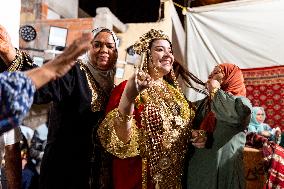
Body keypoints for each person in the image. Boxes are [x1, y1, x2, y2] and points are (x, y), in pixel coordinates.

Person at [0, 24, 119, 188]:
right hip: (64, 173)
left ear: (116, 52)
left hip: (96, 176)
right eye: (97, 44)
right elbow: (46, 86)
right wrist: (11, 55)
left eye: (110, 46)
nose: (104, 50)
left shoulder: (114, 90)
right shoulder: (75, 72)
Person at [98, 29, 207, 189]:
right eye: (160, 49)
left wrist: (194, 136)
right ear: (146, 54)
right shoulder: (125, 89)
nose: (168, 55)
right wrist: (129, 97)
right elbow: (119, 140)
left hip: (174, 179)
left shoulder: (175, 94)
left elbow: (176, 129)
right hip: (141, 178)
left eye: (170, 51)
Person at [186, 63, 252, 189]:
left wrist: (215, 91)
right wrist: (194, 134)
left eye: (216, 72)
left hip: (223, 171)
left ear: (230, 77)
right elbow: (184, 115)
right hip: (198, 171)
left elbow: (235, 116)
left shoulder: (241, 103)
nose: (211, 75)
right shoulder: (205, 103)